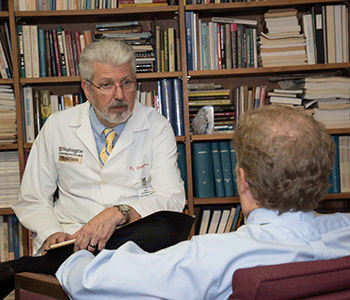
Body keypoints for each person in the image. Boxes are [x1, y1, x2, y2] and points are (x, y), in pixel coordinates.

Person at [56, 105, 350, 299]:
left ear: (243, 179)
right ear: (323, 175)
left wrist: (74, 256)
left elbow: (90, 282)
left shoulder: (210, 258)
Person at [0, 40, 188, 300]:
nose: (120, 95)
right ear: (87, 89)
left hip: (132, 235)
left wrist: (118, 213)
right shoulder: (58, 126)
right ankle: (79, 256)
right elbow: (33, 198)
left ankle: (35, 266)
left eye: (127, 83)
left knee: (165, 229)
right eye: (107, 85)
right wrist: (51, 233)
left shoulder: (156, 126)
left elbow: (172, 196)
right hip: (71, 235)